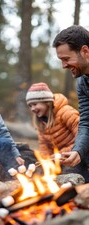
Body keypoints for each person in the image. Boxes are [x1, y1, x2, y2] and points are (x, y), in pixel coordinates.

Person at [52, 25, 89, 182]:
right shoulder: (82, 83)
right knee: (71, 170)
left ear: (85, 52)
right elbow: (86, 122)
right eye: (61, 60)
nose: (64, 65)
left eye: (66, 59)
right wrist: (78, 151)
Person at [26, 82, 79, 158]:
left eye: (35, 104)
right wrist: (45, 160)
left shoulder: (66, 113)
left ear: (46, 102)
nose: (32, 109)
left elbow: (83, 138)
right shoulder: (41, 122)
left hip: (75, 156)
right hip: (58, 159)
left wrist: (61, 154)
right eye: (30, 106)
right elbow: (43, 145)